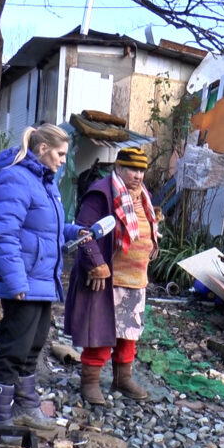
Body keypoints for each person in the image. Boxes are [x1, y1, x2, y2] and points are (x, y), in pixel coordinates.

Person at [0, 123, 83, 430]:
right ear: (43, 149)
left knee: (32, 348)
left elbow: (46, 228)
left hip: (43, 282)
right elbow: (5, 235)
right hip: (24, 283)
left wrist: (74, 231)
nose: (63, 160)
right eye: (60, 153)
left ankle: (25, 409)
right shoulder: (14, 178)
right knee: (12, 351)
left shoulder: (46, 182)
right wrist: (14, 282)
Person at [65, 146, 159, 405]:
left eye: (141, 170)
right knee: (100, 329)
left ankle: (122, 377)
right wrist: (96, 263)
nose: (138, 175)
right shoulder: (101, 193)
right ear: (118, 167)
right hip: (107, 277)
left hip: (135, 278)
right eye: (132, 169)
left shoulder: (143, 195)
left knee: (129, 331)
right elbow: (83, 231)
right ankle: (91, 381)